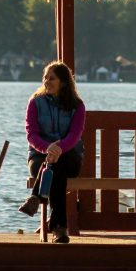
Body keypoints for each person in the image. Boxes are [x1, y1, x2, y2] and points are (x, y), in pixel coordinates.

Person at [18, 61, 86, 243]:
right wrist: (48, 148)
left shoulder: (77, 106)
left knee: (59, 163)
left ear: (63, 82)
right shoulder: (35, 102)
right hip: (40, 155)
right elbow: (31, 134)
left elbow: (75, 134)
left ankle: (35, 196)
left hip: (70, 156)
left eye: (52, 78)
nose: (46, 81)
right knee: (56, 171)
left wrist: (59, 148)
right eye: (45, 77)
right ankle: (59, 229)